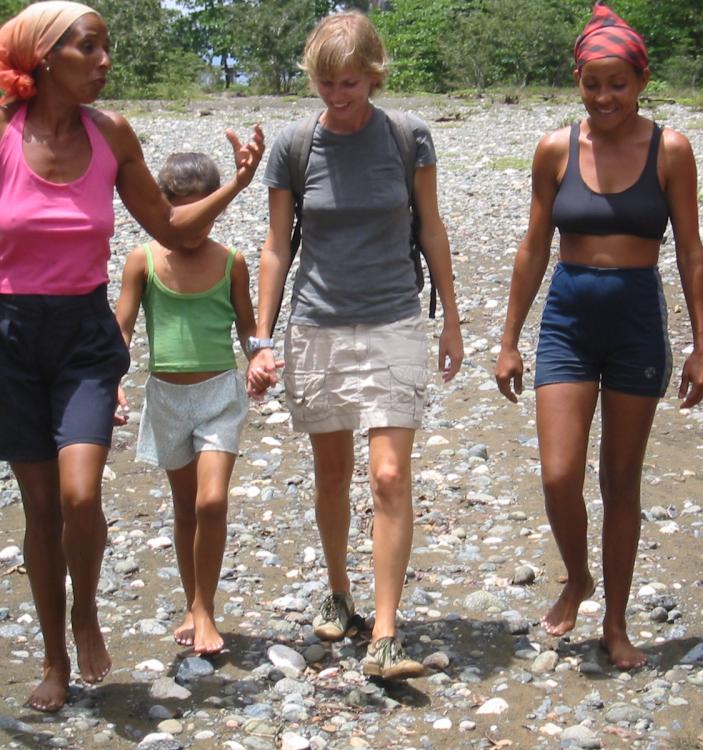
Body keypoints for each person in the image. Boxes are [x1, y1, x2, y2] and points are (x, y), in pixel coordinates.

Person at [0, 1, 263, 712]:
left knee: (82, 496)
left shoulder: (113, 135)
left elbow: (172, 231)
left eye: (108, 47)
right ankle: (56, 657)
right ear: (47, 56)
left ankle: (87, 606)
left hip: (85, 336)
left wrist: (237, 184)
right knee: (40, 506)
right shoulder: (2, 133)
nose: (106, 61)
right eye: (91, 48)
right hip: (11, 336)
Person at [494, 2, 703, 670]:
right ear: (578, 81)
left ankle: (615, 622)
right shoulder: (556, 147)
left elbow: (692, 251)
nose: (604, 96)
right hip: (568, 319)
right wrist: (508, 339)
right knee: (559, 475)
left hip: (637, 321)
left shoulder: (670, 149)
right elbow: (534, 246)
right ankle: (577, 576)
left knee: (622, 481)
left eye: (618, 82)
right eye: (592, 83)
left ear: (641, 80)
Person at [248, 11, 463, 681]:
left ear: (373, 75)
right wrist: (258, 337)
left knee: (391, 475)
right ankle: (339, 592)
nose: (337, 95)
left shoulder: (408, 137)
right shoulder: (294, 146)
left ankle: (389, 634)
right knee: (333, 473)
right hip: (316, 325)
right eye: (324, 82)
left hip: (394, 318)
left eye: (349, 83)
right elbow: (277, 246)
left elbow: (431, 227)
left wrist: (452, 317)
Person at [114, 152, 257, 656]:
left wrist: (258, 357)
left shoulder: (231, 261)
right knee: (184, 509)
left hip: (219, 393)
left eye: (207, 216)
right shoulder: (143, 260)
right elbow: (123, 328)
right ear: (163, 210)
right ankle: (194, 605)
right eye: (182, 217)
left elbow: (246, 325)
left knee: (211, 501)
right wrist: (112, 378)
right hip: (166, 397)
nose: (195, 229)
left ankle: (207, 609)